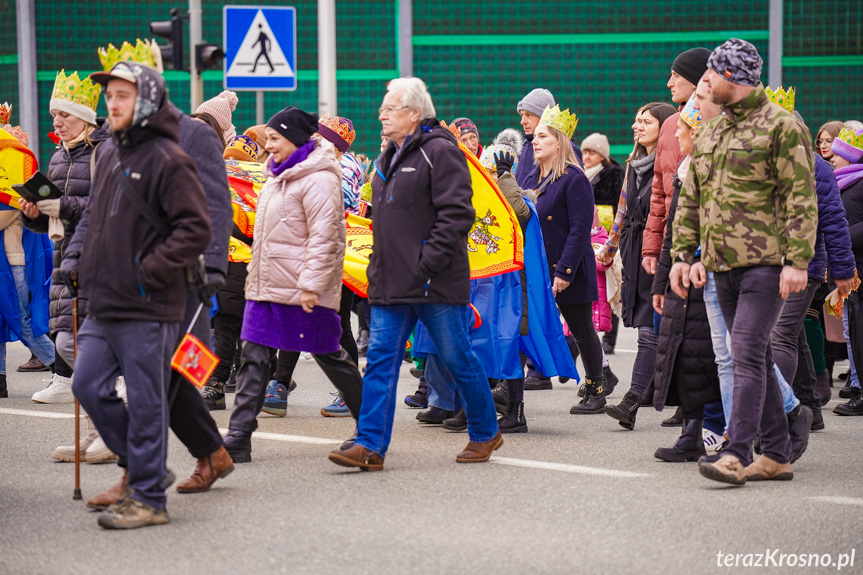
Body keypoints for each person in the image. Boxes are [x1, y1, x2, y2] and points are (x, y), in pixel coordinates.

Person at [66, 61, 212, 528]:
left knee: (148, 401)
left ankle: (149, 498)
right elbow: (92, 217)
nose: (112, 102)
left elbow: (195, 230)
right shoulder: (109, 153)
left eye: (123, 95)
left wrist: (148, 270)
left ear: (146, 99)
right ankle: (148, 468)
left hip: (150, 303)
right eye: (109, 95)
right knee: (86, 384)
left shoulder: (169, 158)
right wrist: (74, 261)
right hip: (104, 299)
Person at [328, 77, 501, 471]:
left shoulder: (441, 152)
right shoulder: (389, 155)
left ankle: (486, 431)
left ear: (414, 113)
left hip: (433, 283)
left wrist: (425, 266)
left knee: (459, 359)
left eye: (390, 108)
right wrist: (377, 269)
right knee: (380, 363)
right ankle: (370, 445)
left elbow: (458, 214)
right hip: (390, 283)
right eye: (383, 108)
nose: (381, 114)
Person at [670, 39, 817, 485]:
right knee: (758, 351)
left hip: (767, 264)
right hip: (720, 265)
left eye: (711, 73)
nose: (705, 82)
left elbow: (801, 197)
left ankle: (736, 451)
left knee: (745, 350)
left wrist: (798, 260)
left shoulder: (781, 126)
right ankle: (777, 454)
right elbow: (692, 200)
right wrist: (683, 255)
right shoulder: (712, 130)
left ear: (731, 77)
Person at [222, 106, 364, 463]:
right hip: (266, 288)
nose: (267, 146)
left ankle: (371, 429)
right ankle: (238, 438)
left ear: (295, 139)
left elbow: (326, 236)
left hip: (303, 292)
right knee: (254, 359)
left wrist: (313, 285)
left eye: (274, 138)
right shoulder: (275, 176)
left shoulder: (320, 177)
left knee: (331, 358)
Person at [17, 70, 117, 461]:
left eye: (65, 116)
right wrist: (33, 214)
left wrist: (62, 206)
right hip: (66, 261)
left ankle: (111, 428)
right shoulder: (59, 156)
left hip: (100, 261)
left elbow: (107, 207)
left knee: (79, 346)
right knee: (72, 345)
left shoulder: (104, 151)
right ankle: (99, 433)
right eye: (54, 115)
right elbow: (54, 220)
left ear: (87, 118)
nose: (57, 123)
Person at [649, 95, 721, 460]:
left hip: (708, 275)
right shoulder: (684, 173)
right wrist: (661, 284)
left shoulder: (717, 172)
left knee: (709, 357)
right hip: (681, 277)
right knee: (687, 356)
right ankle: (691, 433)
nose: (676, 136)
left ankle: (722, 430)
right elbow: (673, 235)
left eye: (682, 129)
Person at [526, 104, 608, 413]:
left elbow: (578, 230)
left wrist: (565, 271)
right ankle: (509, 390)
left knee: (582, 329)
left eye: (543, 136)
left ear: (559, 142)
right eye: (536, 136)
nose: (535, 140)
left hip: (568, 268)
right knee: (529, 325)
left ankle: (597, 388)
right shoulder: (539, 177)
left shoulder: (574, 178)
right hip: (542, 269)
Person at [601, 102, 677, 425]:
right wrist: (609, 248)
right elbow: (622, 212)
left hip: (659, 253)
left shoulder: (670, 163)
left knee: (650, 329)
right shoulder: (633, 165)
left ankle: (632, 401)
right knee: (653, 329)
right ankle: (667, 398)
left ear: (664, 126)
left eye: (645, 121)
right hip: (636, 253)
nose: (637, 126)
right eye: (636, 121)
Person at [642, 48, 711, 276]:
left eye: (676, 75)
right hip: (671, 246)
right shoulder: (670, 125)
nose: (669, 83)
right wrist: (652, 249)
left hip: (709, 249)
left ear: (696, 82)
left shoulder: (719, 123)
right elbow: (659, 192)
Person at [0, 122, 54, 399]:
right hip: (11, 258)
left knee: (20, 316)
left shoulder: (14, 162)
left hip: (14, 259)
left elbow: (9, 212)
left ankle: (60, 364)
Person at [830, 125, 863, 415]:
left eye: (838, 154)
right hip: (852, 265)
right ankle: (858, 386)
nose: (832, 158)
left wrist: (840, 237)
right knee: (853, 328)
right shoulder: (843, 182)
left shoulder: (859, 183)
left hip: (859, 265)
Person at [514, 88, 583, 190]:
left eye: (528, 115)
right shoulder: (524, 146)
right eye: (522, 115)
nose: (522, 121)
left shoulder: (566, 148)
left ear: (543, 117)